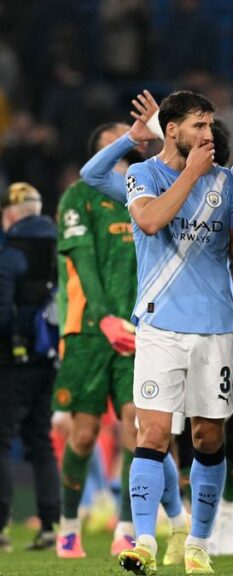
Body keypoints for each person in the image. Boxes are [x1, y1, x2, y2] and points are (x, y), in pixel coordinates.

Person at [117, 90, 233, 575]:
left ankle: (198, 544)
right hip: (159, 326)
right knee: (152, 433)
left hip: (215, 327)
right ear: (170, 129)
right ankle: (144, 542)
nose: (208, 135)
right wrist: (192, 174)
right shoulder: (143, 174)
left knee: (208, 436)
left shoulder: (227, 181)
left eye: (210, 125)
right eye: (198, 126)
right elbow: (152, 221)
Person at [55, 117, 190, 563]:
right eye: (111, 145)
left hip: (140, 332)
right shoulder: (79, 197)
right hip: (89, 333)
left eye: (126, 145)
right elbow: (84, 266)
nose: (121, 152)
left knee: (141, 428)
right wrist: (104, 318)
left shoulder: (142, 192)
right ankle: (69, 525)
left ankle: (128, 528)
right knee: (83, 435)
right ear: (98, 151)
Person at [0, 182, 61, 552]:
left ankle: (1, 527)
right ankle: (51, 524)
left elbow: (3, 311)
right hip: (50, 355)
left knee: (2, 440)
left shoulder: (9, 253)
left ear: (9, 214)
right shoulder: (59, 245)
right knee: (41, 441)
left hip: (11, 357)